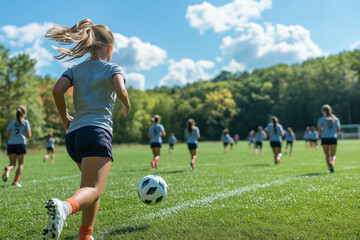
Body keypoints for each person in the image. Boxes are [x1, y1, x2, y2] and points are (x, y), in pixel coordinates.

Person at [44, 19, 131, 240]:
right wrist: (126, 104)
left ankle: (85, 235)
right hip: (96, 133)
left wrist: (65, 118)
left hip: (74, 136)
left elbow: (57, 90)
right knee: (94, 188)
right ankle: (64, 208)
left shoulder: (75, 69)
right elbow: (120, 89)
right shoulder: (113, 67)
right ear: (109, 48)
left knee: (91, 188)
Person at [2, 106, 31, 187]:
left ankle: (8, 169)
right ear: (24, 113)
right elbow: (28, 136)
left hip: (11, 144)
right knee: (21, 164)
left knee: (12, 164)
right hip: (21, 144)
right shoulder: (26, 122)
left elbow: (8, 135)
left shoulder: (11, 123)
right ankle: (15, 182)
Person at [317, 104, 340, 173]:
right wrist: (335, 133)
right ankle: (332, 162)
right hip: (333, 137)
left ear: (323, 111)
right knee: (333, 155)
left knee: (327, 154)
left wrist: (321, 134)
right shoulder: (335, 119)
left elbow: (319, 129)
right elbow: (338, 128)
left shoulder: (321, 119)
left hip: (324, 138)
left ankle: (330, 169)